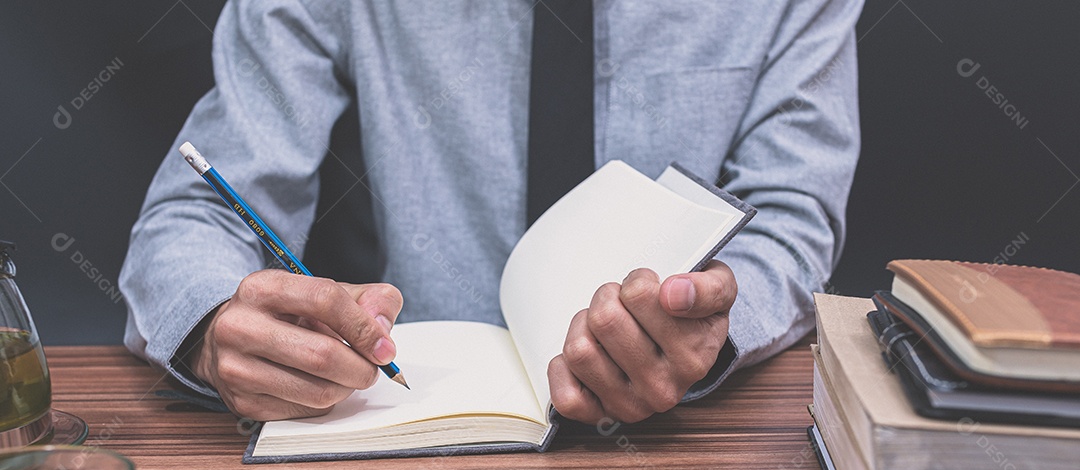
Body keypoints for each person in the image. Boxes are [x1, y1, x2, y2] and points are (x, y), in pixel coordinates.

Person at [120, 0, 862, 425]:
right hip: (413, 438)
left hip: (684, 449)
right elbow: (196, 210)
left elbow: (791, 215)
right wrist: (217, 326)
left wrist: (709, 325)